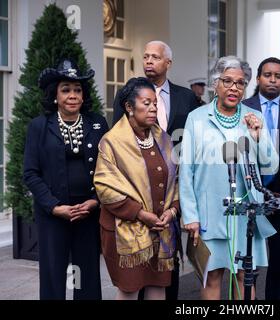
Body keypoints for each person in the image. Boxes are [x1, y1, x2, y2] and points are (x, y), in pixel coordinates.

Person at [180, 56, 278, 300]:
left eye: (240, 83)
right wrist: (190, 215)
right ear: (216, 84)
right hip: (209, 211)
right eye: (227, 81)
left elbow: (271, 166)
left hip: (246, 214)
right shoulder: (197, 118)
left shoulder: (254, 117)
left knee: (245, 277)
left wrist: (259, 136)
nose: (234, 88)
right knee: (212, 275)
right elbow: (186, 170)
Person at [113, 40, 198, 300]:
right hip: (136, 192)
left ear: (168, 63)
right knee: (134, 273)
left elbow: (193, 142)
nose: (149, 61)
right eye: (146, 56)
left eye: (155, 57)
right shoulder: (127, 95)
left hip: (171, 190)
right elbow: (118, 141)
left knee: (165, 271)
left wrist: (178, 202)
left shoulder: (187, 97)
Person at [23, 58, 108, 300]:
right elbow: (30, 172)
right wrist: (54, 207)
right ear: (55, 95)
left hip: (88, 212)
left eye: (77, 90)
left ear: (83, 95)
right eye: (66, 90)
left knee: (87, 275)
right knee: (53, 276)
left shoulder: (98, 123)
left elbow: (110, 169)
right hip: (53, 215)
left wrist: (95, 201)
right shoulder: (39, 126)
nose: (72, 95)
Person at [94, 77, 179, 300]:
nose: (153, 108)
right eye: (146, 103)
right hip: (126, 229)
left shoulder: (164, 139)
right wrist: (141, 214)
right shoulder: (111, 142)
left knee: (158, 285)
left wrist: (172, 211)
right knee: (130, 289)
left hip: (161, 229)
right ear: (129, 107)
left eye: (155, 103)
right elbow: (105, 187)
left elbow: (176, 180)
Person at [242, 57, 280, 300]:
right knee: (249, 260)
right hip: (251, 196)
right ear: (258, 79)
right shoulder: (242, 107)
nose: (273, 80)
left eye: (278, 76)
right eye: (268, 75)